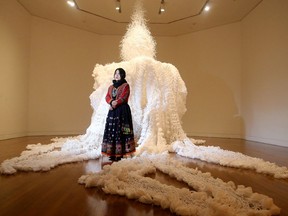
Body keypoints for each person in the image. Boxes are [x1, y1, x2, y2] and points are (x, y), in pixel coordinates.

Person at [101, 68, 136, 161]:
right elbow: (107, 96)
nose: (116, 75)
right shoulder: (110, 87)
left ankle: (120, 153)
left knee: (121, 130)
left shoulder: (125, 85)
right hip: (112, 111)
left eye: (119, 73)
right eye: (115, 73)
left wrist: (115, 103)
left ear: (122, 75)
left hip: (122, 111)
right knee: (112, 130)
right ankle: (111, 153)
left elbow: (124, 97)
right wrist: (111, 102)